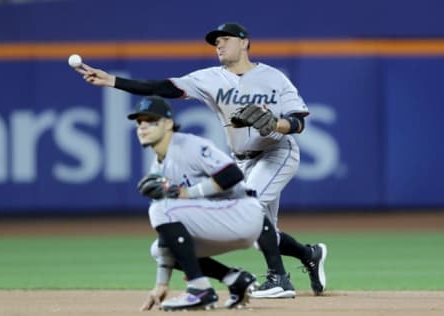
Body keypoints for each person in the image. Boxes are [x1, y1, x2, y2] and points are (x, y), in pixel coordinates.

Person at [74, 22, 327, 298]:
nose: (218, 44)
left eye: (225, 39)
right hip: (242, 159)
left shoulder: (273, 77)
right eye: (215, 41)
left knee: (250, 207)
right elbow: (164, 88)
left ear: (244, 43)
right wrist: (112, 81)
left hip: (277, 152)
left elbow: (298, 122)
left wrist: (275, 124)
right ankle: (309, 254)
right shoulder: (209, 78)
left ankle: (279, 279)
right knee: (261, 230)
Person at [129, 96, 267, 311]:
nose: (143, 127)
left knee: (161, 208)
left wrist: (188, 193)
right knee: (159, 249)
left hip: (240, 211)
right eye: (139, 122)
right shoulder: (157, 167)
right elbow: (168, 234)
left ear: (168, 124)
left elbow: (232, 175)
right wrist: (161, 283)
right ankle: (234, 278)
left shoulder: (189, 145)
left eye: (151, 120)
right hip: (218, 219)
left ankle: (199, 289)